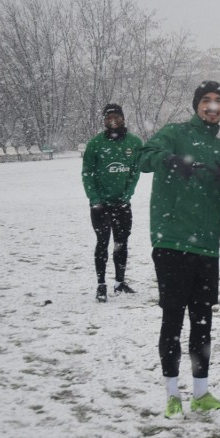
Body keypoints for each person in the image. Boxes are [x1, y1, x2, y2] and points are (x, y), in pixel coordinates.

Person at [138, 81, 220, 418]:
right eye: (206, 100)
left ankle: (200, 392)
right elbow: (144, 156)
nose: (212, 106)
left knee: (203, 321)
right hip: (172, 241)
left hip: (207, 246)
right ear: (197, 104)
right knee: (172, 319)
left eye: (219, 101)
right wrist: (168, 160)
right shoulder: (175, 133)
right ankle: (171, 394)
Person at [81, 103, 142, 302]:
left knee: (122, 243)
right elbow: (87, 173)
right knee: (102, 243)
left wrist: (126, 197)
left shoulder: (134, 142)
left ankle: (119, 282)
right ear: (104, 120)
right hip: (101, 205)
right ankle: (101, 284)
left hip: (122, 204)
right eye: (109, 117)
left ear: (123, 118)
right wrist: (95, 199)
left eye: (116, 116)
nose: (113, 120)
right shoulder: (95, 144)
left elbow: (135, 172)